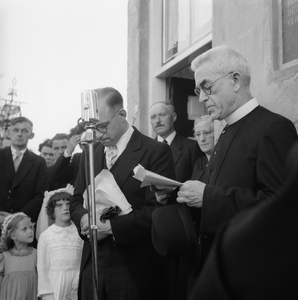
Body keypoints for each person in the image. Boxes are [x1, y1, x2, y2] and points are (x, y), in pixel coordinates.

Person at [152, 45, 298, 291]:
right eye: (199, 90)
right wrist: (178, 195)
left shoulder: (273, 128)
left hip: (248, 279)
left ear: (236, 80)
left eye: (207, 86)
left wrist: (207, 196)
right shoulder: (227, 130)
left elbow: (281, 210)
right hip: (212, 270)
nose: (201, 98)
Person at [70, 87, 175, 300]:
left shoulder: (154, 151)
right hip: (93, 261)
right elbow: (75, 201)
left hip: (132, 264)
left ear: (122, 115)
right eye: (93, 128)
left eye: (103, 126)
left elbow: (158, 211)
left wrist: (109, 227)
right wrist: (84, 219)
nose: (98, 134)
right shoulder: (90, 152)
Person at [190, 140, 298, 300]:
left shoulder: (238, 240)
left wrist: (208, 196)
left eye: (206, 133)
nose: (203, 138)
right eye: (198, 134)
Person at [0, 117, 48, 227]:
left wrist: (19, 217)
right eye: (16, 130)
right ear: (9, 132)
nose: (19, 134)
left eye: (25, 131)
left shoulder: (38, 162)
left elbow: (40, 194)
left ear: (32, 135)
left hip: (24, 225)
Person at [37, 191, 82, 300]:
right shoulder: (46, 236)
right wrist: (47, 293)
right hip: (56, 283)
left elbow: (83, 259)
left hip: (77, 282)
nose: (65, 208)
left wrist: (79, 278)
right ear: (52, 211)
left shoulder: (79, 232)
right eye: (59, 205)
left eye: (68, 204)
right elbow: (42, 267)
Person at [150, 101, 202, 183]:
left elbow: (196, 182)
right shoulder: (147, 148)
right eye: (153, 117)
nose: (157, 121)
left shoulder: (192, 147)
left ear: (173, 117)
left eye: (162, 115)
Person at [0, 213, 37, 300]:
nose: (30, 231)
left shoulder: (36, 254)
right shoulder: (4, 257)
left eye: (31, 227)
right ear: (13, 236)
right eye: (24, 229)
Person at [191, 115, 215, 180]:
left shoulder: (224, 161)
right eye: (198, 134)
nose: (202, 139)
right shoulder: (199, 163)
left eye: (206, 133)